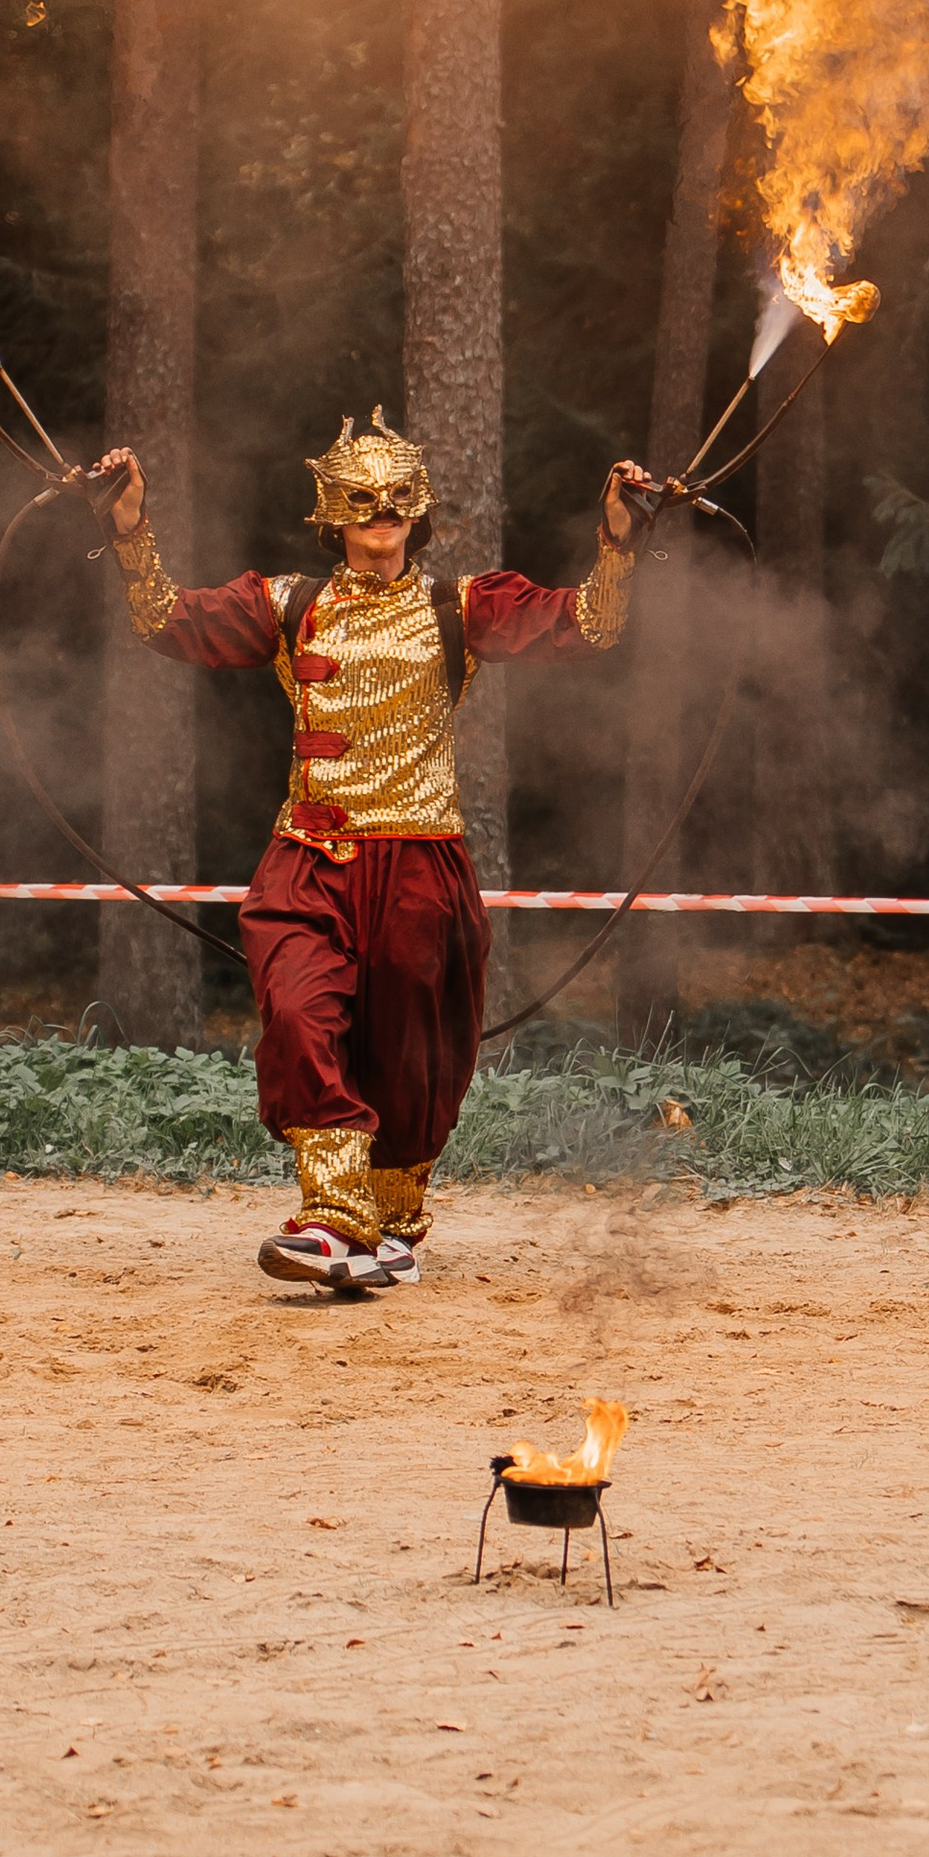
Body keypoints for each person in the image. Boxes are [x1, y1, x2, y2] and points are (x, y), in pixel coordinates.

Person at [87, 409, 657, 1294]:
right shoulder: (291, 605)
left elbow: (589, 624)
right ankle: (333, 1216)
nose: (380, 513)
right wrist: (129, 529)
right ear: (334, 515)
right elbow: (167, 618)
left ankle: (388, 1224)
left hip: (419, 865)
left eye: (395, 500)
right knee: (296, 1010)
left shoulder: (459, 607)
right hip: (309, 858)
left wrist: (618, 541)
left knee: (411, 1056)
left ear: (416, 510)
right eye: (362, 501)